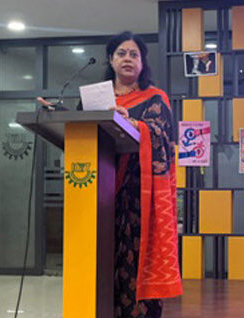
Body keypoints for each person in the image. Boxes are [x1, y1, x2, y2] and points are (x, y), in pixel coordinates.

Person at [39, 31, 182, 317]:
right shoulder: (94, 99)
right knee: (99, 262)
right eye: (121, 53)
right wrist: (59, 112)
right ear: (111, 59)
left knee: (133, 264)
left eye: (134, 54)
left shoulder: (155, 99)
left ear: (142, 62)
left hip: (137, 199)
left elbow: (163, 138)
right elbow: (82, 134)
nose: (128, 59)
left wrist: (133, 124)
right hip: (97, 197)